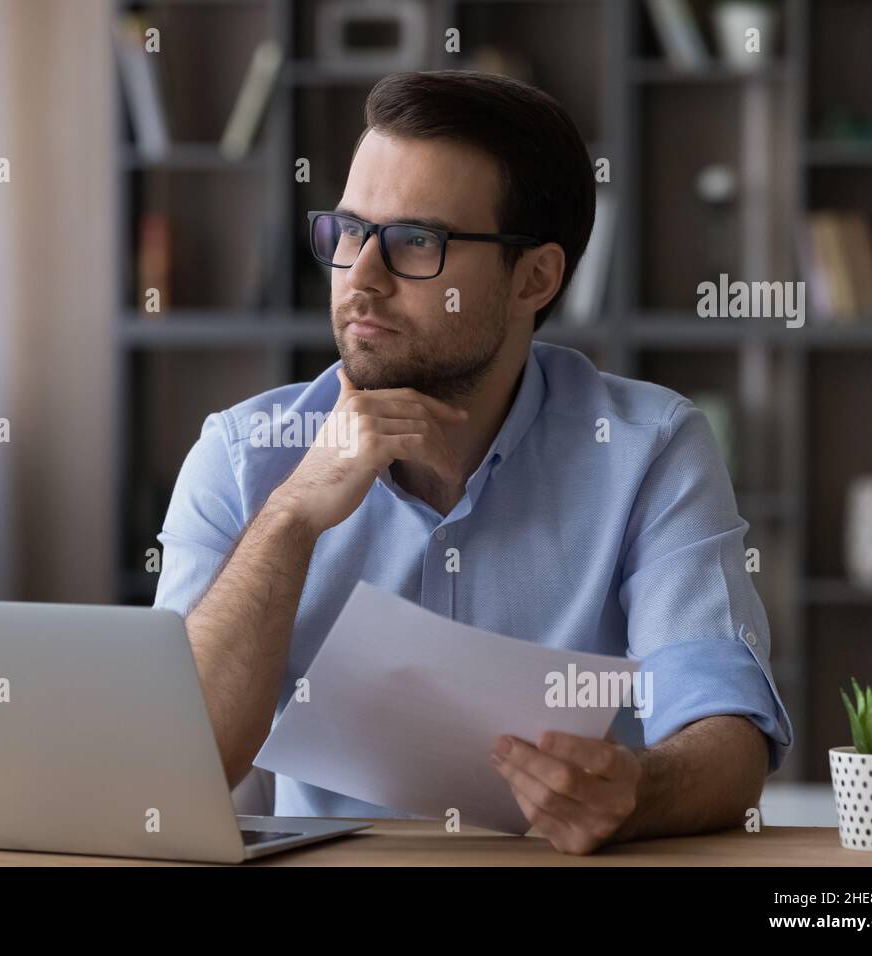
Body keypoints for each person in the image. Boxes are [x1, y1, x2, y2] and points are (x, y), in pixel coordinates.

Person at [154, 70, 793, 855]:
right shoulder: (242, 456)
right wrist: (290, 516)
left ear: (536, 277)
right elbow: (174, 769)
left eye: (417, 242)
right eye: (349, 231)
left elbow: (725, 734)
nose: (360, 278)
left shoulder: (648, 448)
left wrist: (640, 788)